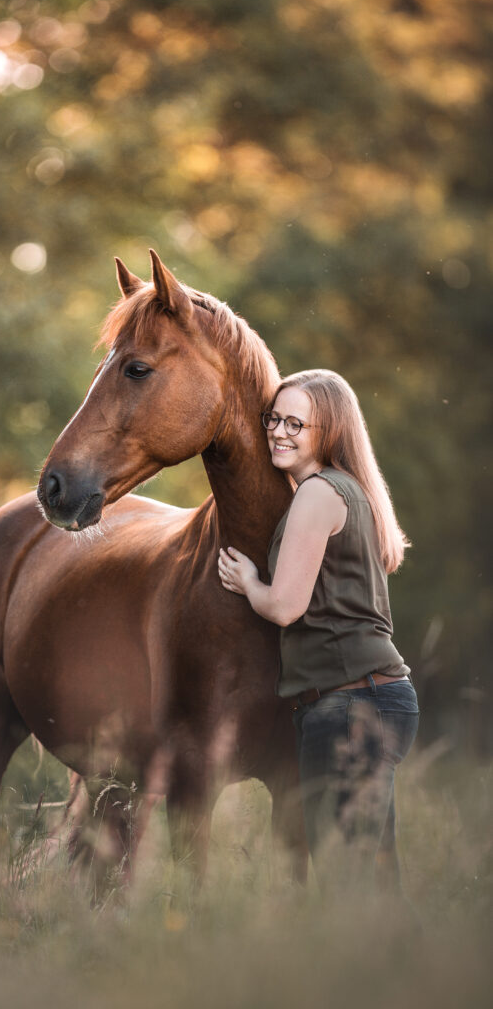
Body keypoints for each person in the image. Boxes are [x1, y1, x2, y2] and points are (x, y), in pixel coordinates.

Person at [217, 369, 419, 894]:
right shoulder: (347, 490)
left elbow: (284, 606)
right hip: (373, 698)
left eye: (295, 423)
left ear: (327, 429)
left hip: (351, 705)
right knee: (374, 878)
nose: (278, 432)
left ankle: (362, 973)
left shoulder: (317, 493)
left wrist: (249, 581)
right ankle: (400, 970)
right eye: (274, 418)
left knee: (345, 883)